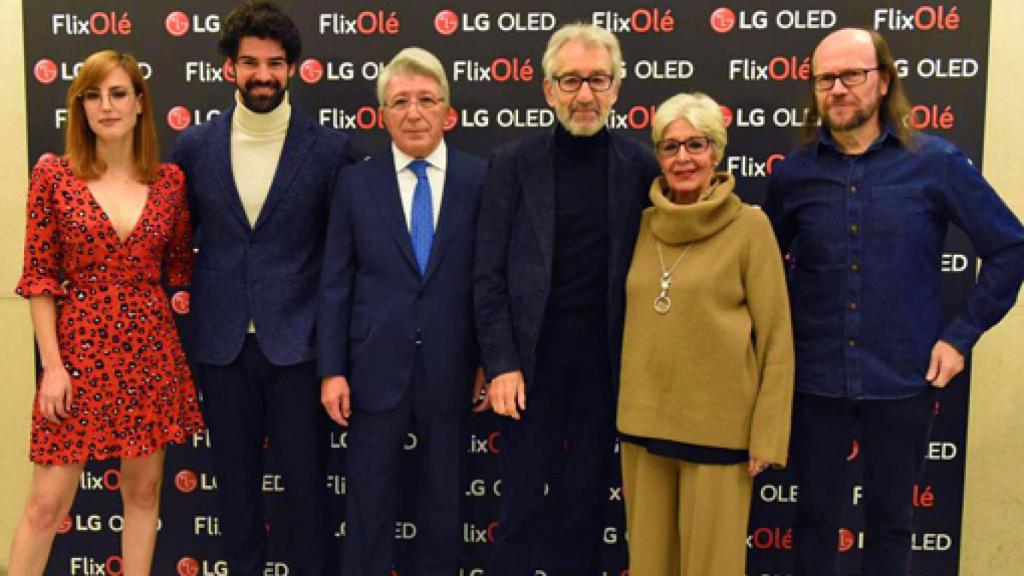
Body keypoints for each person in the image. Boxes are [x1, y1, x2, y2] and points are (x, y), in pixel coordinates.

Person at [765, 28, 1024, 576]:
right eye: (824, 79)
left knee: (891, 524)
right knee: (813, 520)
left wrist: (960, 337)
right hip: (815, 379)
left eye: (851, 75)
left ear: (883, 81)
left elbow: (1009, 248)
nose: (837, 89)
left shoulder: (937, 164)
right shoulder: (793, 177)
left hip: (903, 378)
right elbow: (759, 273)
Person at [170, 1, 356, 574]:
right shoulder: (195, 147)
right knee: (235, 492)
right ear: (229, 67)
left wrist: (333, 353)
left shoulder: (329, 150)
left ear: (293, 67)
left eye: (275, 63)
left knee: (307, 491)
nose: (263, 75)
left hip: (299, 349)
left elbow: (345, 258)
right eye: (250, 62)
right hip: (221, 348)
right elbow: (172, 244)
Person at [473, 22, 660, 575]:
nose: (585, 94)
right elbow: (488, 275)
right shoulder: (512, 163)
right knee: (520, 510)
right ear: (548, 89)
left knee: (584, 512)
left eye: (598, 80)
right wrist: (501, 364)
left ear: (618, 88)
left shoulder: (641, 168)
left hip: (607, 374)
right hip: (529, 374)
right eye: (571, 80)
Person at [8, 49, 203, 576]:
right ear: (80, 108)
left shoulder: (170, 183)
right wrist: (52, 366)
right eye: (92, 96)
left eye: (118, 93)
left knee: (142, 495)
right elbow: (40, 278)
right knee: (46, 505)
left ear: (140, 103)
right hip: (75, 353)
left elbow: (182, 265)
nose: (106, 106)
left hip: (149, 351)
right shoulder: (54, 177)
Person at [318, 46, 486, 576]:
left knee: (444, 503)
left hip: (452, 365)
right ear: (382, 115)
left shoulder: (479, 179)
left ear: (447, 112)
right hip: (373, 368)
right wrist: (332, 370)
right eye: (401, 102)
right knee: (368, 503)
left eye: (426, 101)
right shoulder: (354, 183)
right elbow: (335, 281)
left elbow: (490, 281)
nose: (414, 113)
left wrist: (488, 359)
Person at [616, 92, 793, 575]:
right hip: (643, 429)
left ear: (716, 151)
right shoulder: (643, 226)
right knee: (650, 565)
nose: (682, 158)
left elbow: (777, 339)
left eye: (696, 144)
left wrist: (768, 436)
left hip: (719, 433)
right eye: (670, 147)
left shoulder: (750, 228)